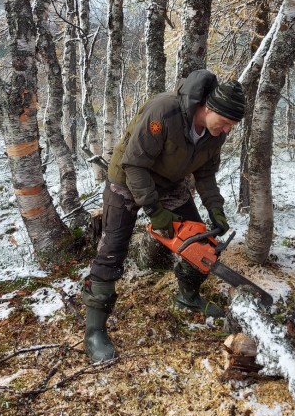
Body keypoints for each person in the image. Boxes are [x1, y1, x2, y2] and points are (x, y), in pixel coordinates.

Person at [82, 69, 246, 362]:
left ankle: (188, 297)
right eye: (224, 123)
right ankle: (94, 331)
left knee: (200, 242)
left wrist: (215, 207)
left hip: (169, 183)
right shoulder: (165, 111)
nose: (226, 131)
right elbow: (134, 165)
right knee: (111, 251)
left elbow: (206, 173)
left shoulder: (214, 134)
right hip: (127, 180)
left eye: (231, 126)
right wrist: (155, 212)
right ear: (208, 109)